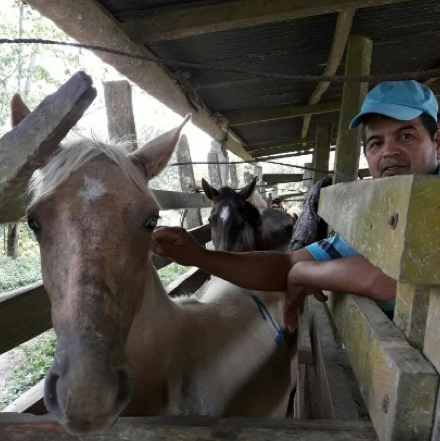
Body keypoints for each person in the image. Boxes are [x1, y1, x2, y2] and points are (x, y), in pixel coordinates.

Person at [153, 80, 440, 331]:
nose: (389, 151)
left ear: (437, 143)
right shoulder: (376, 215)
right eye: (376, 143)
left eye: (406, 135)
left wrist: (305, 274)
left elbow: (394, 281)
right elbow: (288, 262)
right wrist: (198, 256)